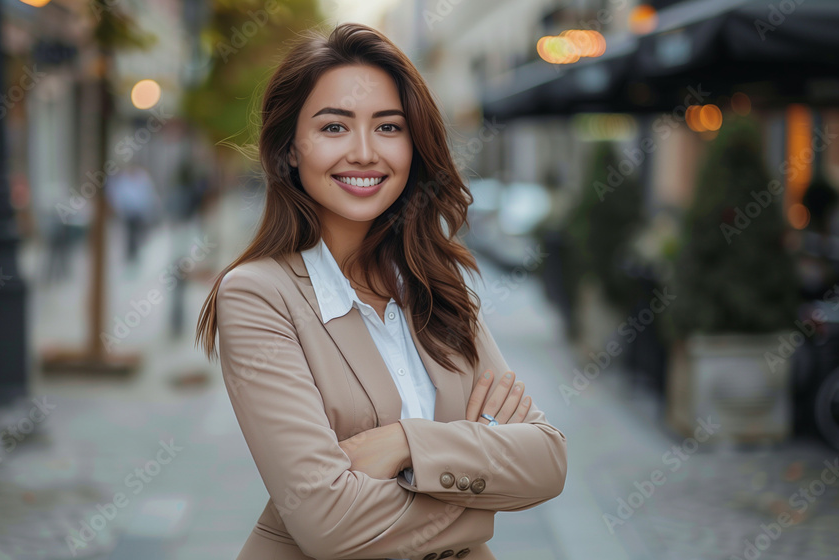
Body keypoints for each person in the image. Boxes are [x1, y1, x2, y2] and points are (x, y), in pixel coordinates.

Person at [195, 23, 567, 560]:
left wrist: (402, 444)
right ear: (290, 149)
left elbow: (547, 461)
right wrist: (483, 483)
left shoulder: (434, 284)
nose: (365, 152)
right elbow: (328, 524)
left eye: (389, 127)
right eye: (334, 128)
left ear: (414, 144)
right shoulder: (258, 296)